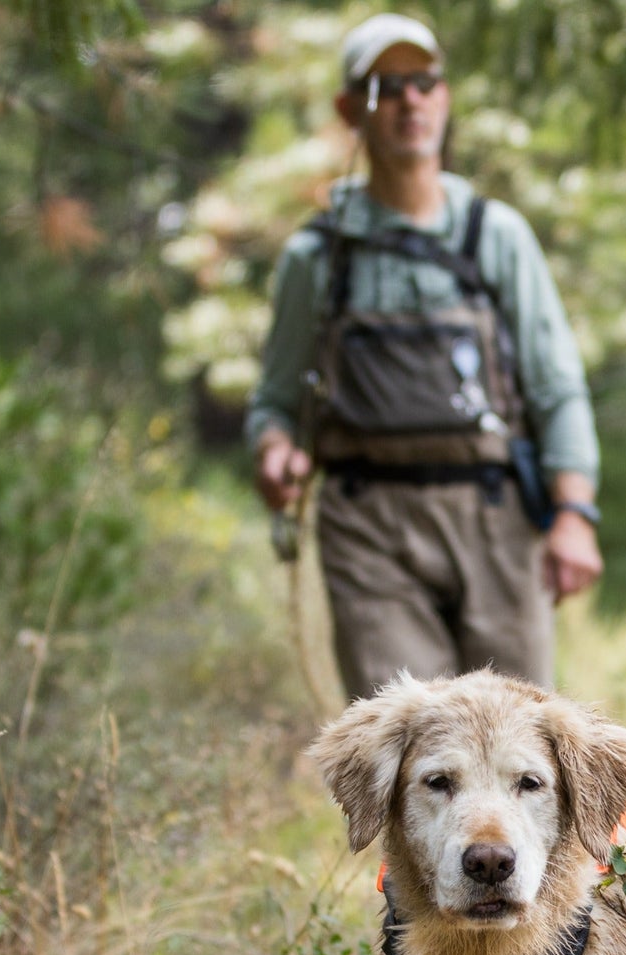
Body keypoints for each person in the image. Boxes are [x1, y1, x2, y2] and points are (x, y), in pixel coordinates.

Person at [246, 13, 604, 700]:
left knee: (520, 746)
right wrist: (274, 451)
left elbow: (557, 388)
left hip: (496, 518)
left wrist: (574, 517)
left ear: (444, 98)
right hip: (367, 524)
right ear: (350, 110)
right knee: (405, 746)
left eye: (424, 83)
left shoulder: (496, 237)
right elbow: (276, 401)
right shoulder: (316, 257)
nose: (410, 100)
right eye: (388, 87)